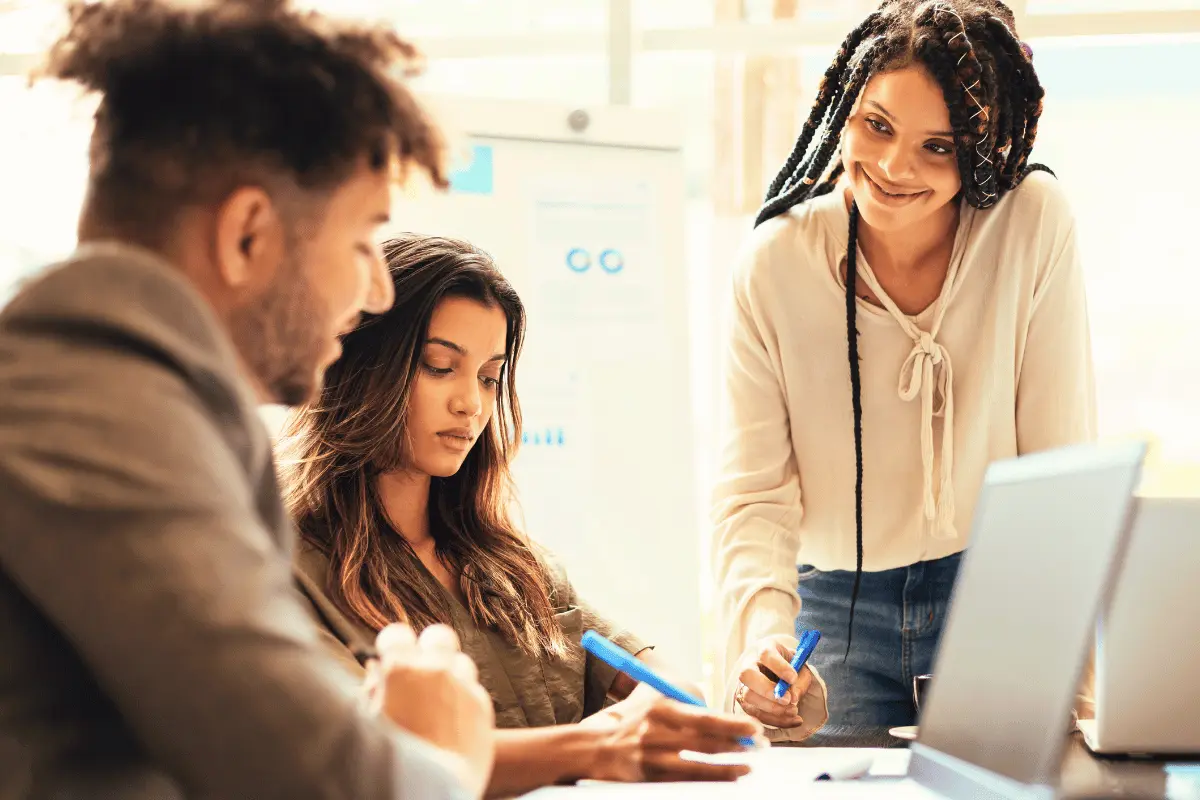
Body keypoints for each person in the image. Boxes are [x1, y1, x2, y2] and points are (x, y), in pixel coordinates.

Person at [0, 2, 498, 798]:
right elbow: (305, 775)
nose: (375, 292)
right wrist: (442, 757)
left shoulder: (120, 398)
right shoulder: (98, 414)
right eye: (364, 238)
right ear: (247, 236)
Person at [712, 0, 1095, 737]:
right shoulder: (774, 264)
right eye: (876, 125)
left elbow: (1060, 466)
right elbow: (752, 494)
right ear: (842, 107)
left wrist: (1074, 687)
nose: (892, 167)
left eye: (938, 147)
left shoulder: (1032, 222)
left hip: (998, 589)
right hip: (830, 607)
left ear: (982, 148)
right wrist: (764, 634)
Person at [279, 234, 763, 797]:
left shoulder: (514, 564)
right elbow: (360, 763)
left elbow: (659, 684)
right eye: (439, 367)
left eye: (488, 377)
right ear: (362, 367)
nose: (472, 404)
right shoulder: (288, 572)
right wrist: (598, 747)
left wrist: (680, 711)